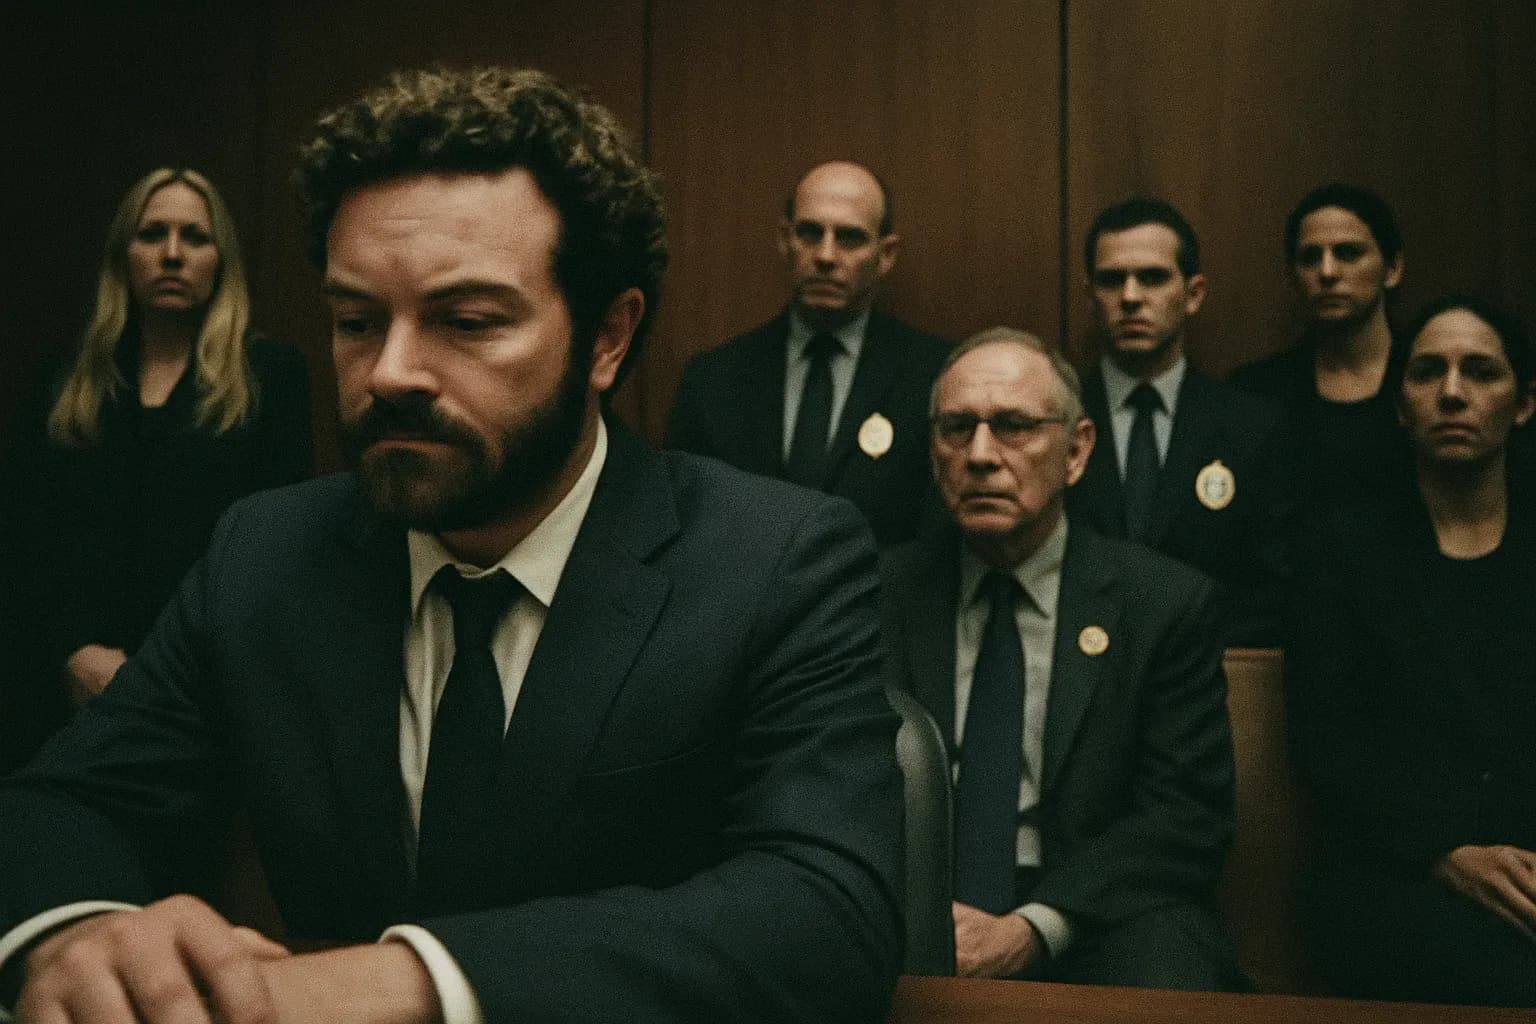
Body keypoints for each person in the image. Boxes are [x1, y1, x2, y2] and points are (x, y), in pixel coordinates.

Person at [0, 67, 903, 1024]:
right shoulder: (265, 555)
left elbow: (829, 910)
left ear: (607, 338)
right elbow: (64, 804)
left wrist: (412, 979)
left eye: (466, 322)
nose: (389, 373)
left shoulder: (777, 559)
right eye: (356, 322)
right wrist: (71, 932)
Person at [881, 327, 1241, 990]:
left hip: (1096, 909)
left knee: (1172, 970)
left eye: (1013, 426)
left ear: (1076, 451)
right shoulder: (878, 595)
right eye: (956, 428)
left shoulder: (1162, 605)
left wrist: (1034, 928)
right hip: (914, 901)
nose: (980, 455)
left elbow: (1185, 815)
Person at [0, 167, 312, 771]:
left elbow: (277, 552)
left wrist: (161, 671)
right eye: (152, 234)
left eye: (194, 237)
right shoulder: (61, 382)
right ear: (124, 253)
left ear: (221, 259)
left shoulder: (268, 377)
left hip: (205, 698)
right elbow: (24, 537)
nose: (172, 254)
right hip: (58, 699)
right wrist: (70, 651)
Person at [1286, 294, 1536, 1007]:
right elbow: (1325, 738)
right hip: (1391, 870)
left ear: (1524, 403)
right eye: (1428, 372)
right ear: (1400, 404)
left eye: (1480, 371)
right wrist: (1445, 849)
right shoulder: (1340, 549)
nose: (1452, 393)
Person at [666, 160, 949, 545]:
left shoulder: (934, 377)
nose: (826, 256)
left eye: (849, 238)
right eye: (810, 233)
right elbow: (680, 522)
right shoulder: (714, 379)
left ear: (886, 255)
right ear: (785, 241)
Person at [1065, 198, 1288, 646]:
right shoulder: (1054, 421)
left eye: (1152, 278)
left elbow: (1273, 586)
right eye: (1111, 280)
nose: (1130, 297)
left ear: (1193, 294)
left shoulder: (1251, 427)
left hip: (1209, 661)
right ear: (1090, 296)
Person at [1230, 182, 1411, 506]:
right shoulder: (1256, 393)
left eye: (1348, 253)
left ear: (1392, 269)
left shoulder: (1431, 381)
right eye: (1310, 258)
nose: (1327, 272)